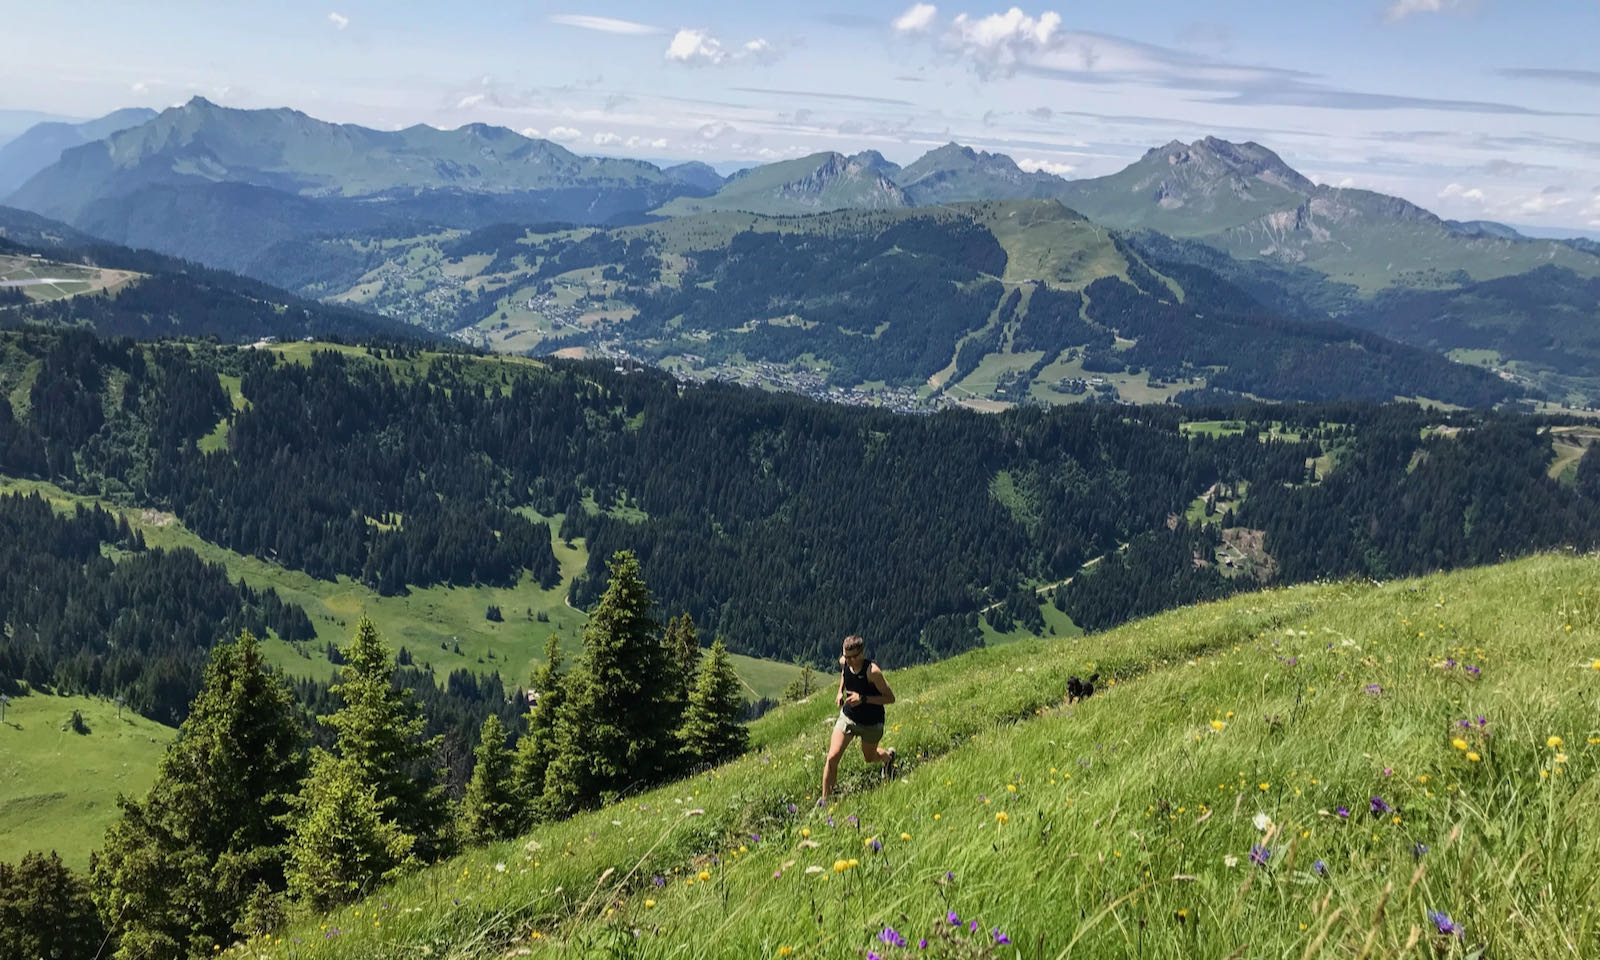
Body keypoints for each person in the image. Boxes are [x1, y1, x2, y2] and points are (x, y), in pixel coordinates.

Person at [820, 635, 896, 803]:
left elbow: (890, 698)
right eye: (847, 657)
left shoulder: (873, 672)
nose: (850, 661)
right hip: (848, 717)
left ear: (862, 653)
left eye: (854, 657)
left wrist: (863, 699)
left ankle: (888, 758)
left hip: (871, 722)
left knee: (869, 758)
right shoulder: (845, 662)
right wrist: (840, 691)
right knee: (832, 757)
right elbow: (844, 673)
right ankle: (825, 803)